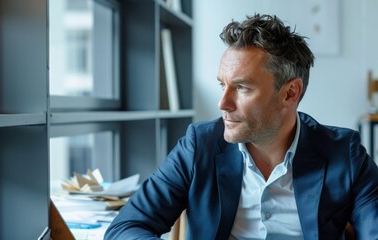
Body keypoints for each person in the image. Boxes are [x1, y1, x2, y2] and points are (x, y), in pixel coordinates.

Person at [104, 14, 378, 239]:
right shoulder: (199, 145)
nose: (223, 103)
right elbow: (126, 228)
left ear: (290, 93)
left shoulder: (344, 152)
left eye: (242, 88)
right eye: (223, 85)